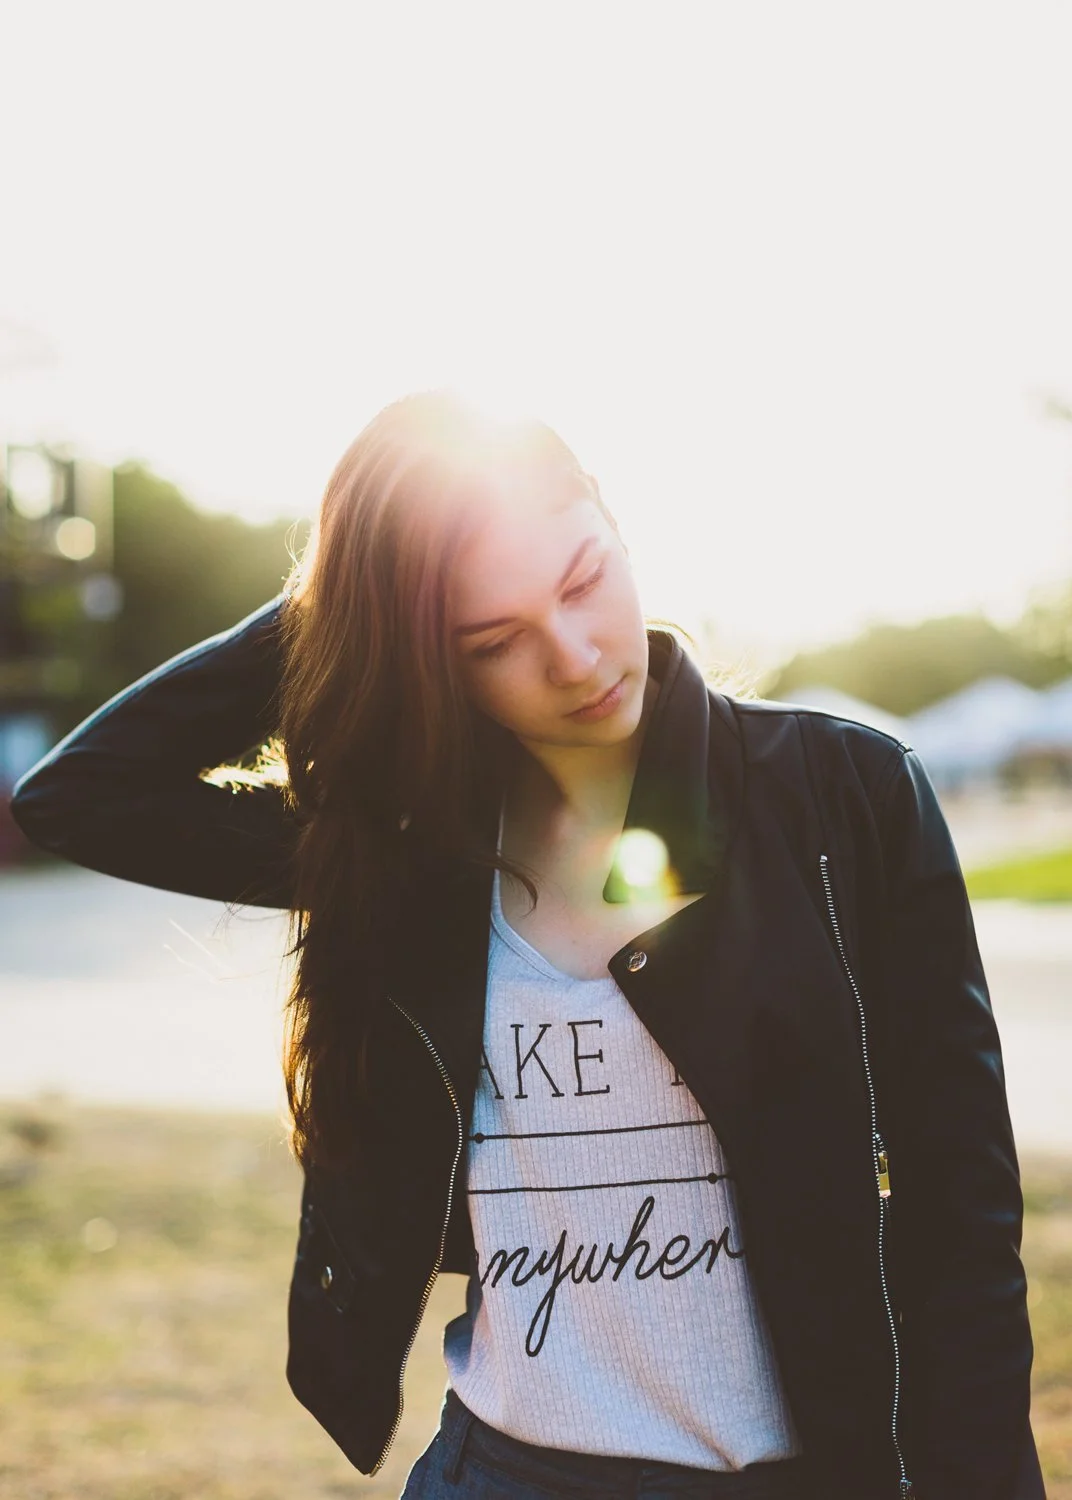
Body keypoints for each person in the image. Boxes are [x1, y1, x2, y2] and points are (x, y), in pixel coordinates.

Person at [10, 391, 1043, 1500]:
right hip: (500, 1472)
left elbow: (958, 1210)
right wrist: (359, 590)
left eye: (582, 579)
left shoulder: (842, 796)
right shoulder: (409, 851)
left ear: (612, 518)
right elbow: (85, 798)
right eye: (491, 640)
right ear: (429, 660)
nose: (571, 656)